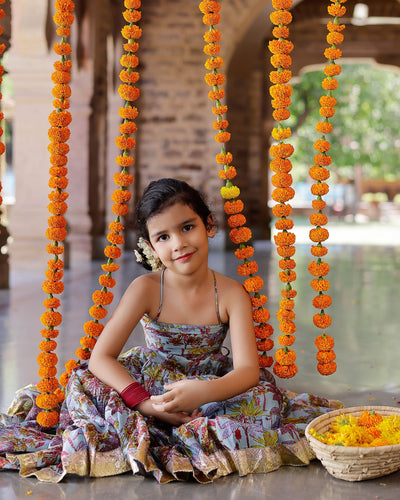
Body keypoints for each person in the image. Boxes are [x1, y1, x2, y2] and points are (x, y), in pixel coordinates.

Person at [0, 178, 340, 483]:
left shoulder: (232, 293)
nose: (178, 244)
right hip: (153, 382)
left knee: (265, 400)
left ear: (209, 225)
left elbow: (249, 370)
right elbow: (101, 358)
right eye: (163, 237)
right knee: (84, 383)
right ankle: (160, 421)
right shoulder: (146, 288)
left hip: (209, 387)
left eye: (187, 227)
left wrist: (204, 393)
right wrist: (145, 403)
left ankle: (188, 423)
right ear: (150, 246)